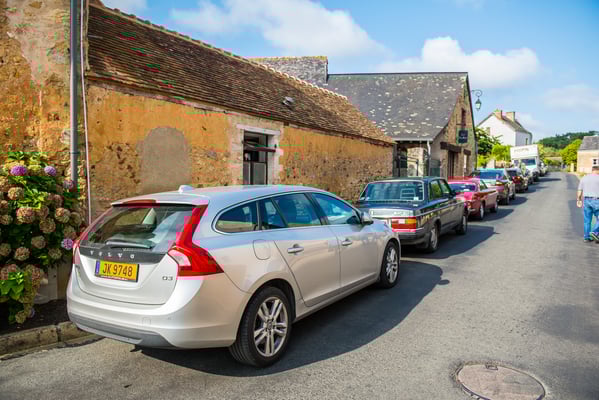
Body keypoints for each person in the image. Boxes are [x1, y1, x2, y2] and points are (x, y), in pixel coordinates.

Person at [577, 164, 599, 242]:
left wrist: (579, 200)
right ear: (597, 170)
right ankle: (594, 232)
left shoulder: (584, 178)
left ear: (592, 170)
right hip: (597, 201)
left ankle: (586, 237)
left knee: (587, 220)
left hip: (586, 200)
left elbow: (579, 191)